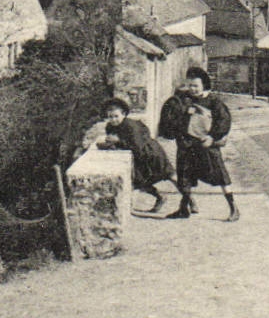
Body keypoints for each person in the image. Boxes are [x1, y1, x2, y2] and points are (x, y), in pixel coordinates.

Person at [157, 67, 238, 221]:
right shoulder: (184, 100)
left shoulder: (214, 102)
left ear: (204, 86)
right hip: (187, 145)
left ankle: (233, 208)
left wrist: (212, 137)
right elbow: (172, 115)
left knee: (220, 174)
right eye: (190, 85)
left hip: (206, 144)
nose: (192, 89)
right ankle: (184, 208)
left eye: (196, 86)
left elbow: (224, 121)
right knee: (184, 175)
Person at [97, 97, 176, 213]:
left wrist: (118, 141)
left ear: (123, 114)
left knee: (170, 175)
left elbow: (137, 145)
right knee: (139, 181)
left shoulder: (130, 126)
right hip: (139, 157)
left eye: (116, 116)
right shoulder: (110, 127)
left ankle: (188, 198)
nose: (113, 120)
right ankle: (160, 197)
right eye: (110, 117)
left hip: (151, 153)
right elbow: (116, 144)